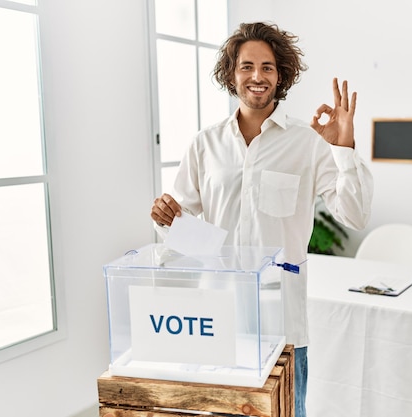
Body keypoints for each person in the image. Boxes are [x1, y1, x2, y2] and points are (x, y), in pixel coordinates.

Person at [150, 22, 373, 417]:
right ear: (231, 75)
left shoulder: (307, 142)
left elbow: (353, 215)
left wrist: (343, 148)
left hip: (283, 322)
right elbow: (174, 237)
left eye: (268, 67)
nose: (257, 76)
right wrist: (166, 220)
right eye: (247, 66)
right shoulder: (206, 145)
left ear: (281, 75)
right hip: (218, 316)